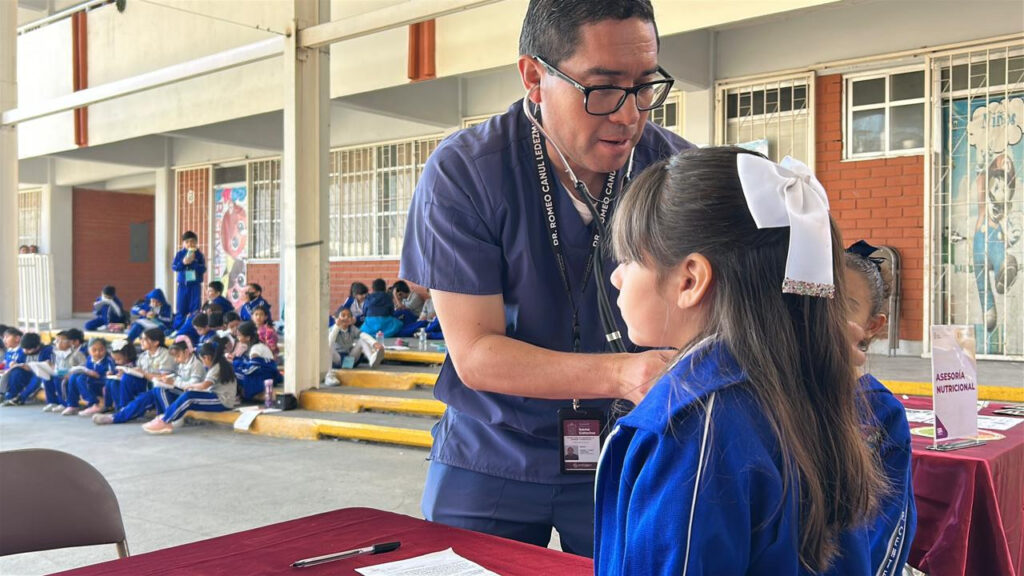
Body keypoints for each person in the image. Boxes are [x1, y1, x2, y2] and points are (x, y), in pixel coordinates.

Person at [399, 0, 689, 555]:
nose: (629, 115)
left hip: (631, 445)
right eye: (603, 88)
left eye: (644, 86)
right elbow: (475, 354)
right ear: (534, 77)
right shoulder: (466, 172)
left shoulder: (676, 173)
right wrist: (624, 373)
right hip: (492, 449)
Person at [592, 147, 887, 574]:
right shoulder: (804, 381)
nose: (617, 276)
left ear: (690, 279)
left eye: (630, 259)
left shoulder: (697, 425)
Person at [845, 240, 917, 573]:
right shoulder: (781, 398)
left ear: (872, 326)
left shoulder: (882, 412)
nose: (825, 316)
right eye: (819, 300)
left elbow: (891, 525)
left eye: (845, 306)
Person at [92, 340, 206, 426]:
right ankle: (115, 418)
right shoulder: (182, 363)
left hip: (184, 394)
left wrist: (173, 381)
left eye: (178, 356)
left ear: (186, 352)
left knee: (158, 390)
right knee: (144, 398)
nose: (176, 360)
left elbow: (192, 386)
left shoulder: (196, 365)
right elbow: (177, 377)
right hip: (172, 389)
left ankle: (168, 418)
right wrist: (167, 379)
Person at [141, 339, 237, 435]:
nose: (203, 363)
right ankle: (166, 418)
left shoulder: (217, 367)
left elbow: (204, 385)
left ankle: (165, 421)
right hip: (215, 397)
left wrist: (190, 386)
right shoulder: (219, 365)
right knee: (186, 397)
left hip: (222, 401)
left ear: (207, 357)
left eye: (202, 360)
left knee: (188, 397)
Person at [63, 338, 115, 416]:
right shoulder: (89, 359)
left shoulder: (108, 360)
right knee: (73, 377)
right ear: (89, 350)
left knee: (82, 379)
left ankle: (94, 403)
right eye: (94, 350)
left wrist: (109, 373)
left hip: (102, 383)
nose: (98, 353)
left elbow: (111, 374)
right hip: (91, 381)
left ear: (106, 349)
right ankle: (73, 405)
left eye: (101, 350)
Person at [232, 321, 282, 401]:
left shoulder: (255, 349)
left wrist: (234, 364)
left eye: (239, 335)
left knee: (232, 373)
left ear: (248, 338)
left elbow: (251, 369)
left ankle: (244, 395)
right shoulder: (254, 346)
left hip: (265, 376)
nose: (238, 338)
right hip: (265, 375)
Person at [0, 332, 52, 406]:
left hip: (41, 375)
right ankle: (11, 395)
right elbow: (19, 362)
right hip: (26, 374)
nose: (26, 351)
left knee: (39, 375)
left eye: (28, 349)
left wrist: (31, 367)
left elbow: (48, 365)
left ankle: (21, 398)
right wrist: (14, 364)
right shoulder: (23, 351)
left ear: (37, 346)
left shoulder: (47, 350)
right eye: (24, 349)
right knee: (16, 372)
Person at [42, 329, 86, 413]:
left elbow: (83, 366)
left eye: (60, 341)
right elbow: (58, 367)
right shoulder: (58, 353)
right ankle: (52, 402)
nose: (57, 343)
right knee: (47, 376)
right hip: (62, 372)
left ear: (70, 343)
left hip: (72, 373)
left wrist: (71, 373)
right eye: (56, 341)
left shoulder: (77, 353)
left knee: (58, 378)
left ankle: (65, 403)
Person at [172, 231, 207, 329]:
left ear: (196, 242)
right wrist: (183, 263)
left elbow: (203, 269)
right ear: (183, 243)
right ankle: (178, 330)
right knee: (181, 309)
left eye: (192, 241)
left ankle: (193, 329)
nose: (189, 244)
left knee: (195, 310)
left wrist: (194, 262)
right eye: (187, 242)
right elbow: (174, 267)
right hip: (182, 285)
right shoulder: (179, 254)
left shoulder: (199, 255)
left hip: (195, 286)